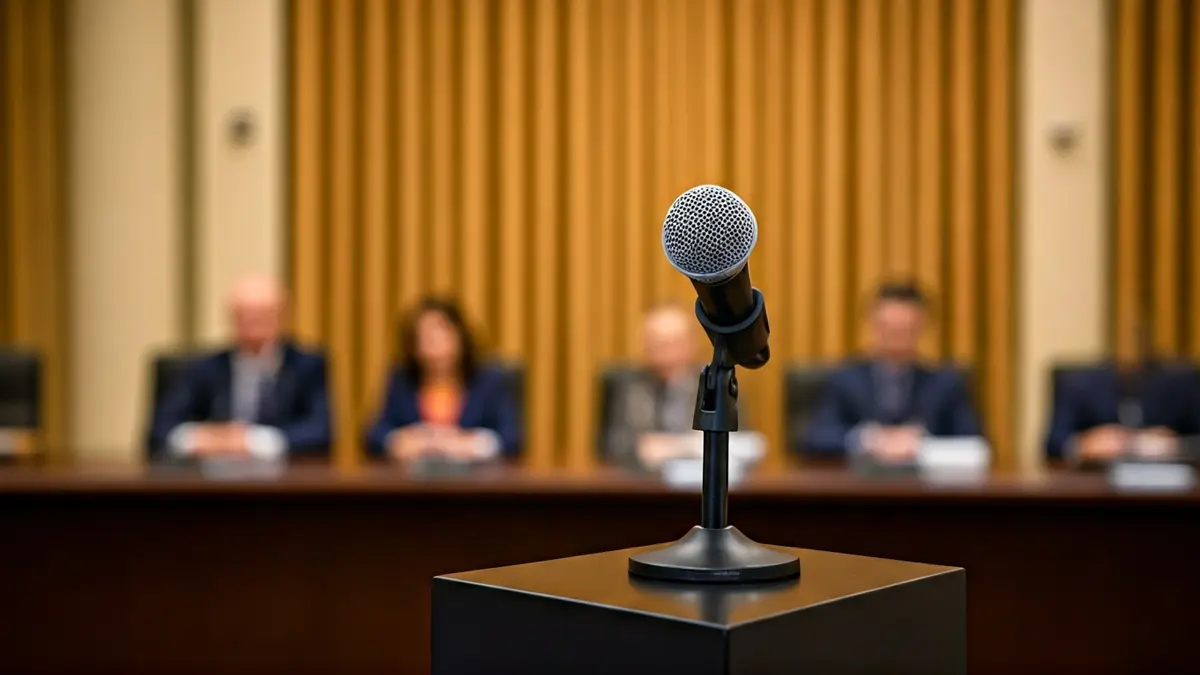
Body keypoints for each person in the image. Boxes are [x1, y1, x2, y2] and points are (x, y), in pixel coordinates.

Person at [147, 274, 332, 460]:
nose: (253, 322)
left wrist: (252, 441)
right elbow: (161, 428)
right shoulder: (206, 367)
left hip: (283, 473)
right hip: (210, 471)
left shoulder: (306, 366)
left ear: (283, 315)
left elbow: (319, 431)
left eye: (263, 314)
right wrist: (200, 438)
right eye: (244, 314)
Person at [801, 281, 982, 462]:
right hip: (860, 477)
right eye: (889, 329)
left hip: (925, 478)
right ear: (873, 326)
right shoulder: (845, 380)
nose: (897, 338)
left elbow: (973, 443)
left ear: (922, 327)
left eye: (905, 330)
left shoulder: (945, 384)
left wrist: (922, 443)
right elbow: (815, 437)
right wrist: (867, 439)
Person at [600, 304, 763, 468]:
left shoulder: (717, 383)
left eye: (672, 342)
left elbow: (740, 442)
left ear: (691, 342)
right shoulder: (626, 386)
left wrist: (676, 447)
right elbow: (612, 444)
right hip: (641, 479)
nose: (664, 349)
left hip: (699, 476)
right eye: (656, 341)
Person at [366, 297, 521, 461]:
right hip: (414, 474)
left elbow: (512, 438)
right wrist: (399, 440)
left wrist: (474, 444)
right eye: (426, 338)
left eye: (442, 336)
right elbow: (374, 435)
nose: (435, 347)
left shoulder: (490, 381)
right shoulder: (402, 380)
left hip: (475, 475)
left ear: (460, 336)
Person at [1043, 325, 1200, 463]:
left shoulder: (1180, 384)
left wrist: (1175, 444)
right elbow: (1054, 443)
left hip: (1164, 478)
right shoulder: (1079, 384)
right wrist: (1083, 445)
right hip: (1096, 478)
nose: (1131, 351)